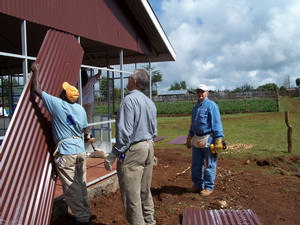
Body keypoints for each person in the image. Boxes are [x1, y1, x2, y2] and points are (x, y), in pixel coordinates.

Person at [31, 62, 91, 225]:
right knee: (81, 184)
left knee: (71, 188)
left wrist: (35, 71)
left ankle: (82, 218)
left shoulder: (57, 104)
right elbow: (86, 131)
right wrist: (87, 137)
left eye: (63, 91)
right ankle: (85, 212)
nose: (61, 91)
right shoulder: (80, 110)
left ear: (65, 96)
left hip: (67, 152)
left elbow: (36, 89)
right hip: (80, 151)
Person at [104, 69, 157, 225]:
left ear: (134, 81)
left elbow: (125, 134)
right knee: (144, 191)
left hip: (134, 150)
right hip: (148, 146)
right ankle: (149, 222)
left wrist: (113, 154)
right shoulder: (149, 102)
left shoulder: (129, 101)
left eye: (129, 78)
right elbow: (154, 131)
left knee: (131, 196)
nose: (126, 81)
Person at [186, 84, 224, 197]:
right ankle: (197, 185)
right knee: (196, 163)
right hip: (197, 138)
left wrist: (218, 139)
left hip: (209, 139)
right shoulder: (196, 107)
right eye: (198, 92)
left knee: (210, 164)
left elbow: (217, 123)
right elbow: (193, 124)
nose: (200, 94)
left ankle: (208, 187)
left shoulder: (211, 106)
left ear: (207, 93)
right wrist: (190, 136)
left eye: (202, 92)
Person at [81, 69, 101, 141]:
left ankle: (81, 132)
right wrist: (99, 69)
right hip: (89, 101)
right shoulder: (90, 80)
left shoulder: (79, 82)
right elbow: (98, 75)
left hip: (81, 102)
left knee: (81, 117)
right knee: (88, 118)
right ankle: (87, 133)